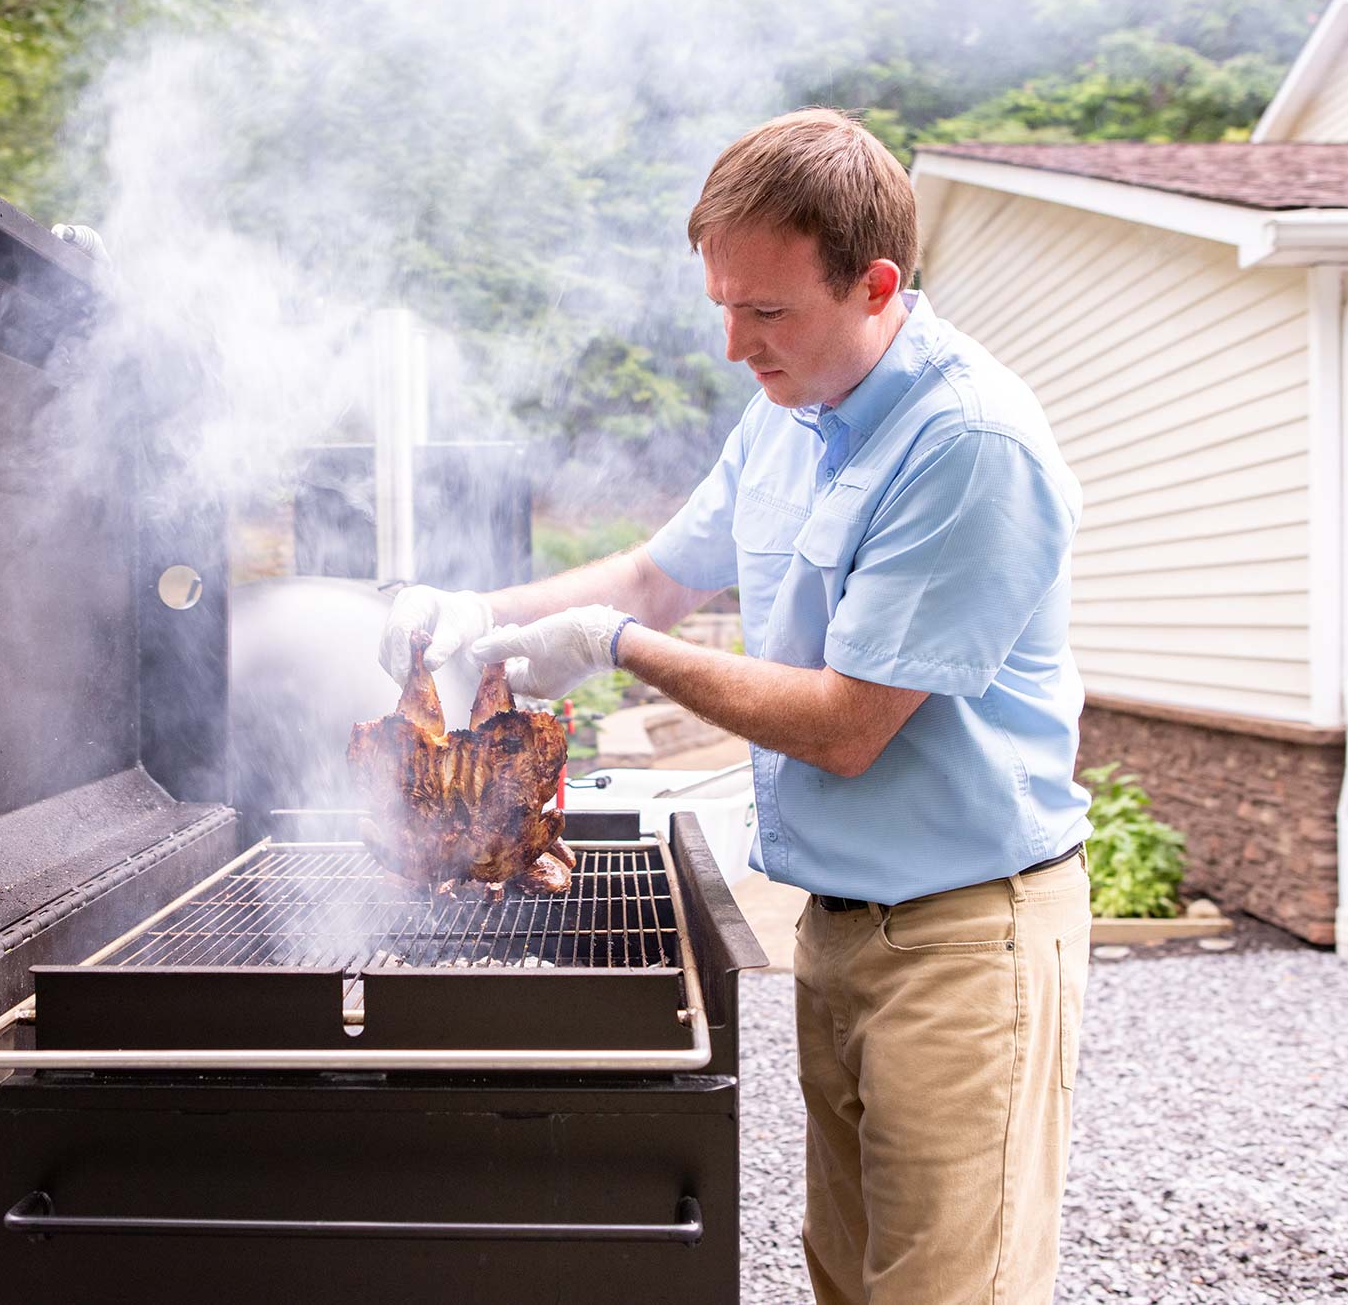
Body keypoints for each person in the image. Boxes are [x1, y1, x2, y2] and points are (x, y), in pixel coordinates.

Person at [378, 108, 1092, 1304]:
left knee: (941, 1286)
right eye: (721, 304)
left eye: (763, 312)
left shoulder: (967, 445)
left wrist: (616, 649)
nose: (730, 345)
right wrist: (477, 615)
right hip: (839, 926)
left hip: (965, 938)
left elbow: (847, 725)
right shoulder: (788, 408)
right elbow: (657, 573)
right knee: (847, 1274)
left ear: (873, 285)